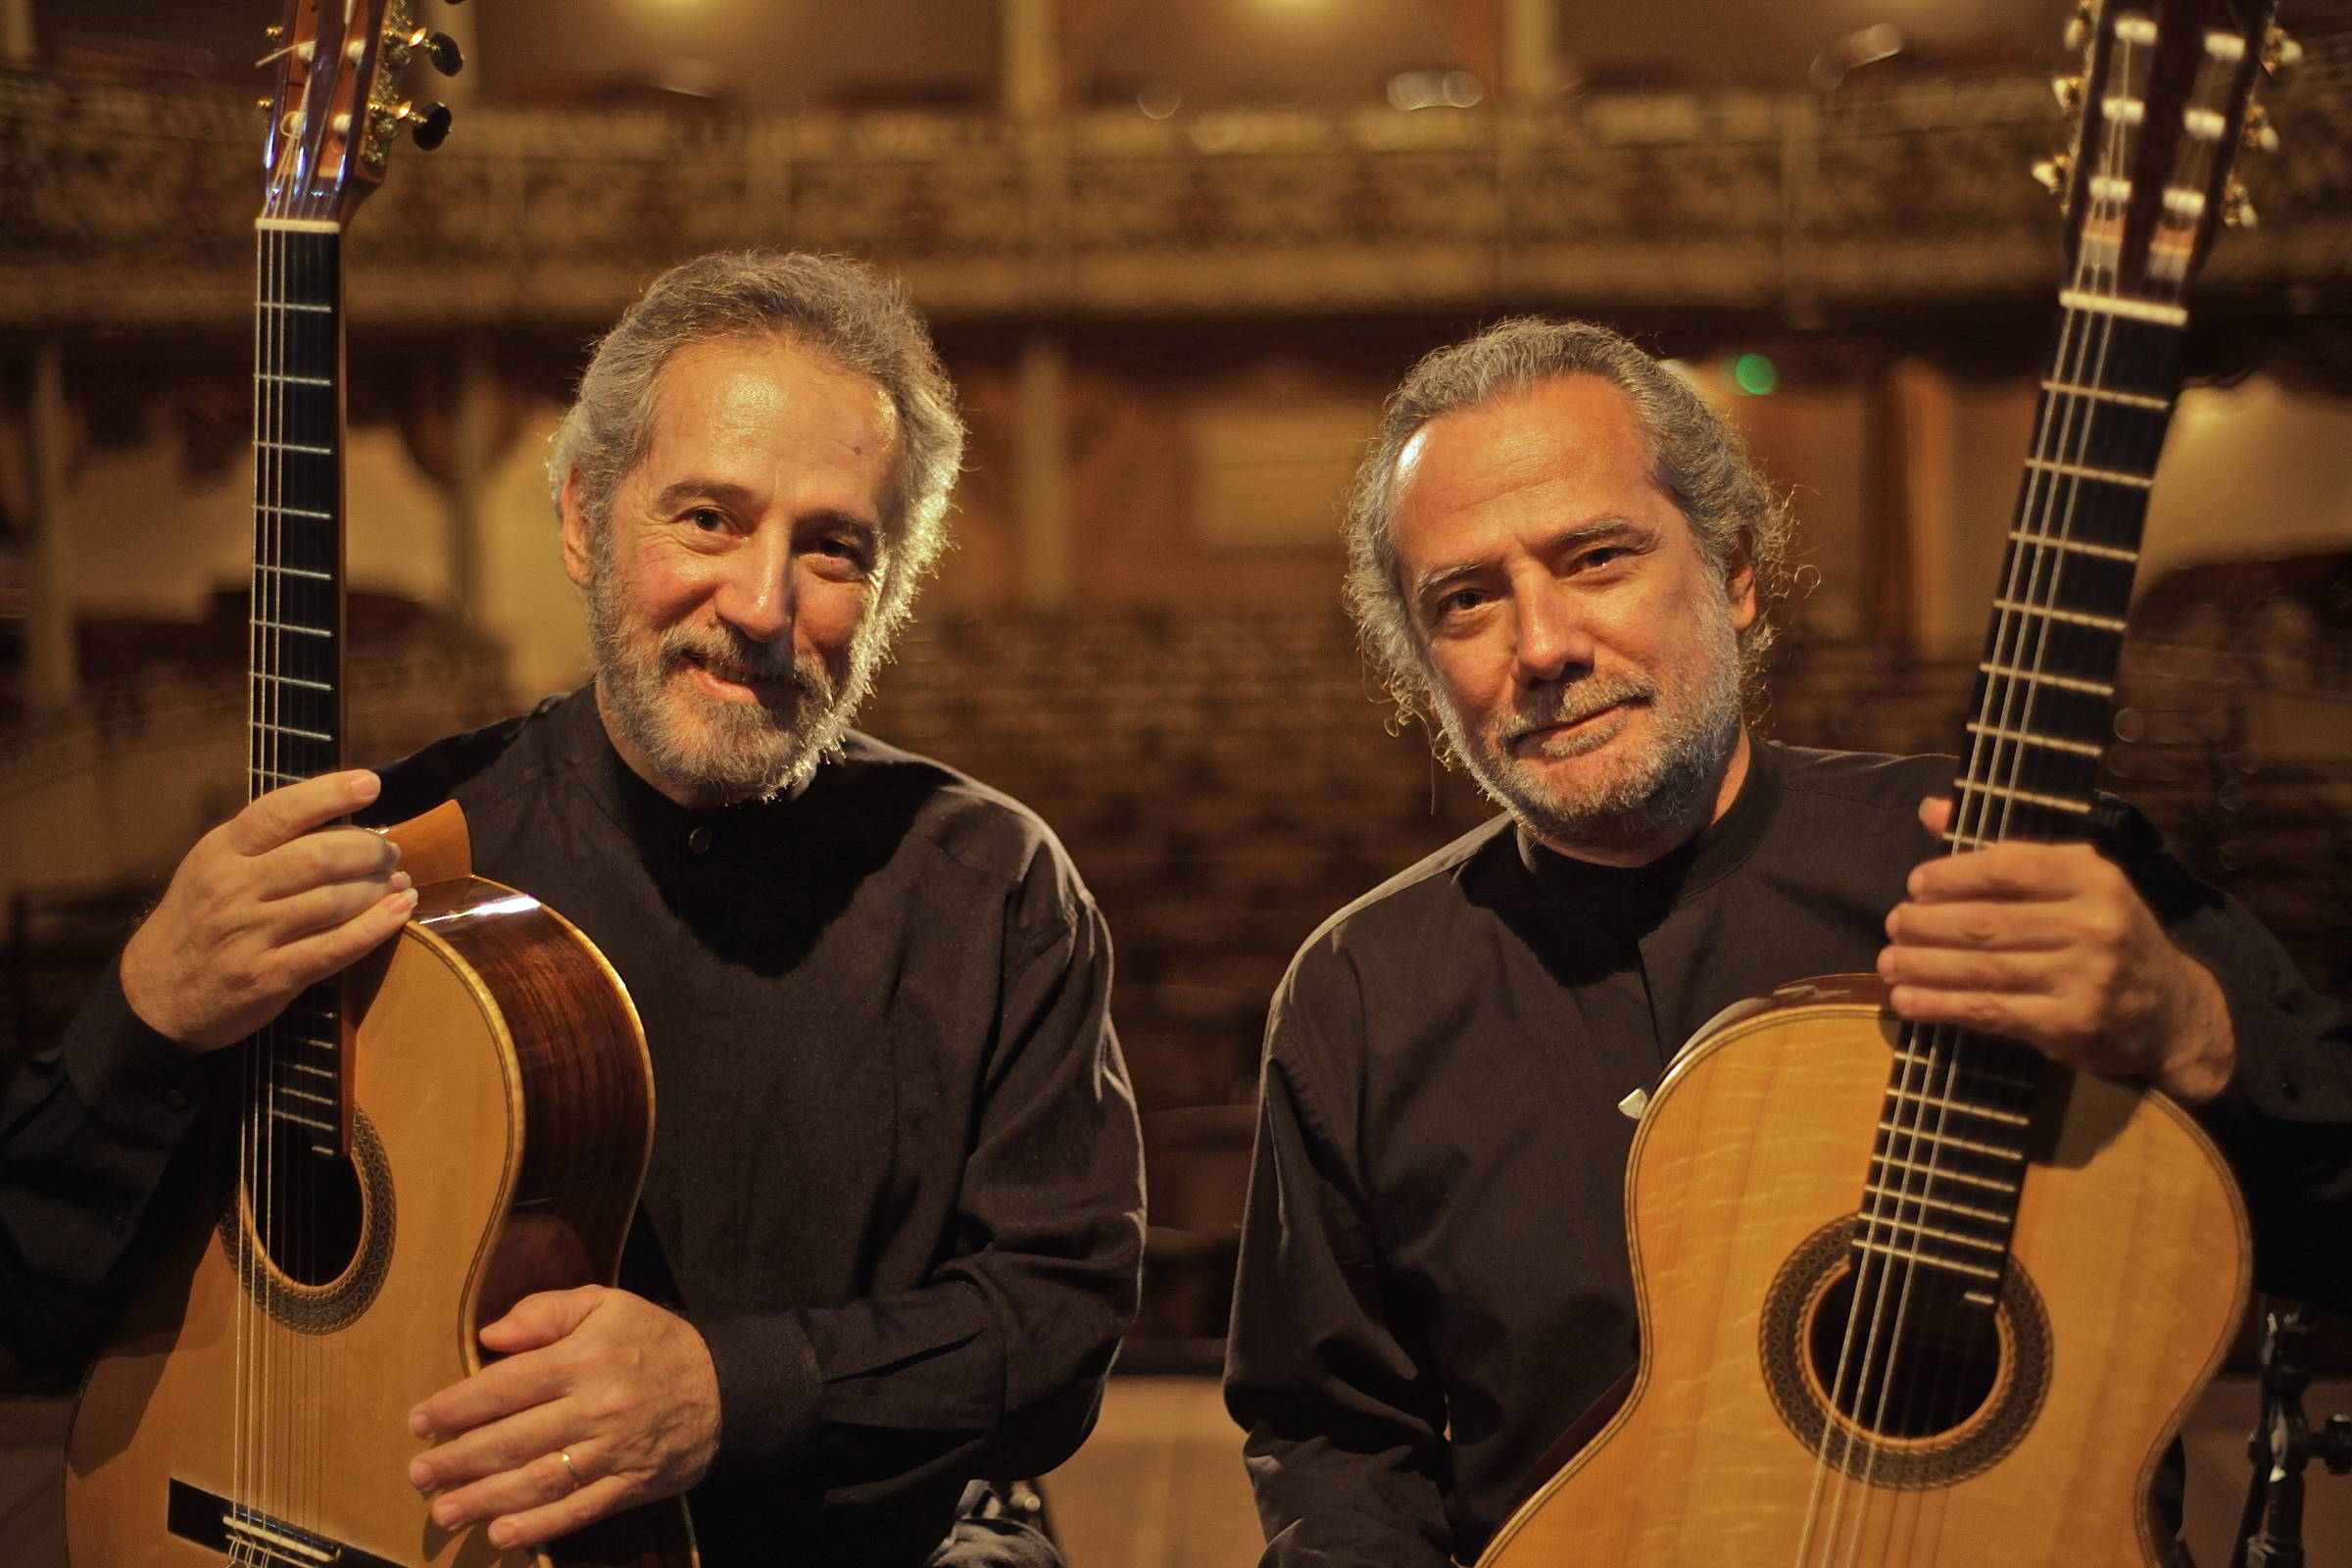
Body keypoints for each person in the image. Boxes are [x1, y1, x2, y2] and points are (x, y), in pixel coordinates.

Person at [0, 251, 1145, 1567]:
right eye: (707, 519)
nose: (762, 607)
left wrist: (734, 1390)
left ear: (892, 581)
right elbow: (32, 1301)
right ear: (583, 520)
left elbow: (1055, 1325)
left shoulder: (996, 887)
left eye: (833, 547)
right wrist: (141, 1020)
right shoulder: (383, 858)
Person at [1221, 317, 2352, 1565]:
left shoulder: (2017, 870)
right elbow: (1333, 1435)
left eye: (1597, 557)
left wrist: (2192, 1027)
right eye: (1467, 600)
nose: (1540, 646)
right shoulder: (1360, 994)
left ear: (1737, 571)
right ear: (1421, 666)